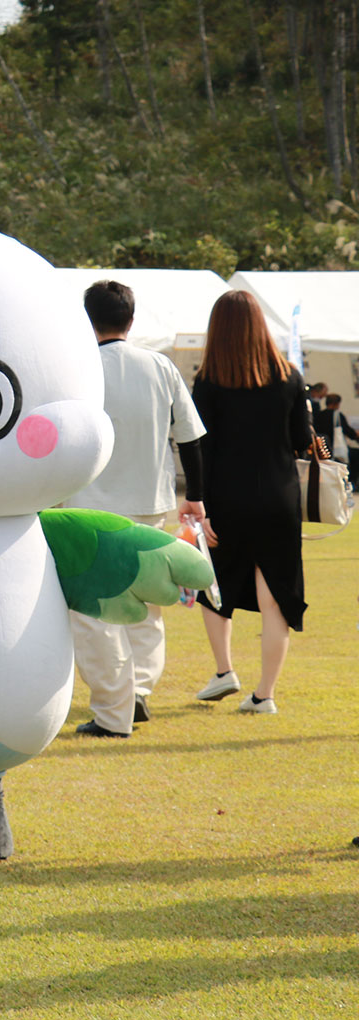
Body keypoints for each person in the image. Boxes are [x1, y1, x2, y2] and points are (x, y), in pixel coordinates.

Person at [65, 281, 208, 739]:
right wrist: (197, 494)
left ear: (88, 320)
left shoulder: (76, 369)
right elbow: (190, 436)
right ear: (132, 318)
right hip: (150, 504)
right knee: (147, 604)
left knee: (94, 612)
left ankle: (114, 708)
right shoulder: (161, 366)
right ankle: (140, 691)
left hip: (90, 509)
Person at [189, 290, 314, 714]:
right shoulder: (290, 377)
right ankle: (265, 694)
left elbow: (200, 446)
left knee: (214, 584)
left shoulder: (207, 381)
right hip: (278, 498)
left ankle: (224, 670)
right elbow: (303, 442)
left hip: (225, 498)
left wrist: (197, 499)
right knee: (275, 594)